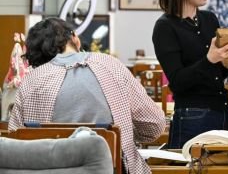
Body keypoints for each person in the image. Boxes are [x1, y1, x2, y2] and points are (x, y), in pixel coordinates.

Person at [9, 17, 165, 174]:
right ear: (74, 38)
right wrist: (125, 130)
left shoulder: (31, 81)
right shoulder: (111, 65)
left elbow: (15, 140)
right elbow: (154, 125)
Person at [152, 0, 228, 149]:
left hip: (223, 111)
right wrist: (209, 60)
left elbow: (217, 74)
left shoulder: (209, 19)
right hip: (192, 117)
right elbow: (177, 82)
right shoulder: (165, 27)